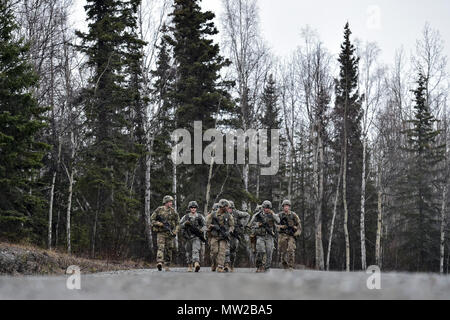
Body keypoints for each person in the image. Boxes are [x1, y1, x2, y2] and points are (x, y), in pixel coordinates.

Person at [150, 195, 180, 272]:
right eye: (169, 202)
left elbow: (178, 223)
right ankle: (159, 262)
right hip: (161, 233)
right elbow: (152, 219)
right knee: (161, 247)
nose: (171, 203)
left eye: (171, 202)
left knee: (169, 249)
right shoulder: (159, 210)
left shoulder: (173, 212)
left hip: (170, 233)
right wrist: (158, 223)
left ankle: (167, 265)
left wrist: (175, 231)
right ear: (165, 202)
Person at [248, 200, 279, 273]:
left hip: (269, 236)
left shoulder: (272, 215)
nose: (267, 209)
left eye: (268, 208)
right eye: (266, 208)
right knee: (260, 250)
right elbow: (250, 224)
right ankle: (259, 266)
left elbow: (278, 220)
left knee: (269, 252)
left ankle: (267, 267)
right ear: (263, 208)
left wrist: (273, 214)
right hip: (260, 236)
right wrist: (258, 224)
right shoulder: (257, 215)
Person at [205, 199, 234, 273]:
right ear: (222, 207)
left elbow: (232, 226)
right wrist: (213, 226)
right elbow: (207, 224)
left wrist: (229, 232)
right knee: (214, 252)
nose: (228, 208)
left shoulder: (229, 215)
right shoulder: (213, 214)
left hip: (223, 237)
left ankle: (220, 266)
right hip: (214, 236)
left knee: (222, 251)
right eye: (227, 206)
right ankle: (214, 264)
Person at [180, 201, 206, 272]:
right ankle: (189, 265)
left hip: (196, 236)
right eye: (192, 207)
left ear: (196, 208)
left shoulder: (200, 216)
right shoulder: (186, 217)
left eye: (194, 207)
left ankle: (196, 263)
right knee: (188, 252)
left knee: (195, 250)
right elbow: (180, 225)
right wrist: (185, 224)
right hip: (188, 237)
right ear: (189, 208)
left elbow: (205, 225)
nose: (193, 209)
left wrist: (201, 230)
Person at [225, 201, 250, 272]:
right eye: (228, 208)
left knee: (233, 251)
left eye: (230, 208)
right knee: (226, 250)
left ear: (233, 208)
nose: (229, 209)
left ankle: (231, 265)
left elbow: (247, 215)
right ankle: (226, 265)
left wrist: (243, 225)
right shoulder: (224, 214)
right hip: (226, 234)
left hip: (235, 234)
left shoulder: (237, 213)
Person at [277, 200, 302, 270]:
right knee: (283, 251)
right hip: (282, 235)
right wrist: (281, 227)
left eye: (287, 206)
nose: (286, 207)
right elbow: (274, 224)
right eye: (285, 206)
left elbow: (299, 227)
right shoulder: (279, 215)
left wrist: (295, 234)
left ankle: (290, 266)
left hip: (291, 235)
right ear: (283, 207)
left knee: (291, 250)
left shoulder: (294, 215)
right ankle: (285, 265)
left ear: (289, 207)